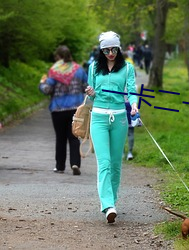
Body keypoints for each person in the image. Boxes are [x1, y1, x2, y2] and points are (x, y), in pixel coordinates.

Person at [85, 31, 138, 223]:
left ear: (119, 48)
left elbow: (131, 90)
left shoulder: (127, 68)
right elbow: (91, 97)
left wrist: (134, 104)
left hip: (120, 119)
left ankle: (112, 201)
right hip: (98, 118)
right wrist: (90, 92)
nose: (110, 53)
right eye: (106, 50)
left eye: (114, 49)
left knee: (116, 164)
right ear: (101, 50)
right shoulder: (93, 68)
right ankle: (107, 205)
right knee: (104, 163)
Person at [39, 45, 88, 175]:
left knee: (60, 138)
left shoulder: (54, 71)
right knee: (74, 137)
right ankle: (75, 163)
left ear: (58, 57)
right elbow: (86, 87)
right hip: (75, 109)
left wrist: (42, 83)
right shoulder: (79, 69)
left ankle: (60, 166)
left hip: (58, 109)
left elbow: (47, 90)